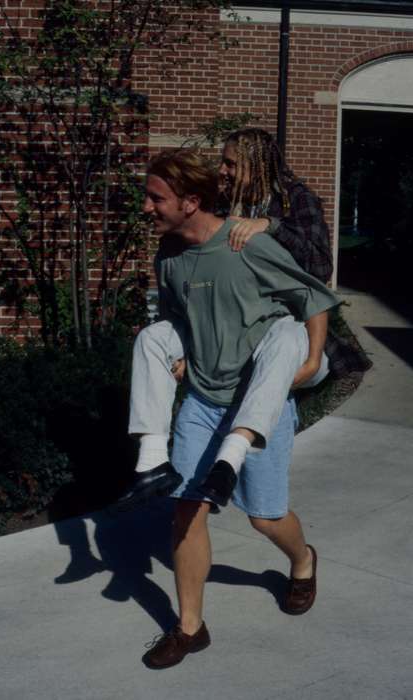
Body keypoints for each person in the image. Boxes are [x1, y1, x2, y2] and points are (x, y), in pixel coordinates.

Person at [124, 149, 339, 668]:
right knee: (186, 508)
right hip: (202, 400)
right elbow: (177, 313)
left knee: (265, 518)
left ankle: (303, 561)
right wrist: (179, 352)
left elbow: (310, 298)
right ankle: (189, 627)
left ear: (191, 201)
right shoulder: (170, 255)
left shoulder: (247, 245)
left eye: (156, 198)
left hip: (257, 402)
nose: (147, 208)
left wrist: (311, 360)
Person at [116, 129, 369, 512]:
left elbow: (317, 273)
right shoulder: (222, 210)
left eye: (232, 162)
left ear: (257, 162)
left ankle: (230, 459)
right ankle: (155, 462)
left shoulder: (295, 200)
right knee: (154, 336)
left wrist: (272, 226)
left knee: (284, 334)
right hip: (233, 334)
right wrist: (188, 348)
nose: (224, 170)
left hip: (288, 332)